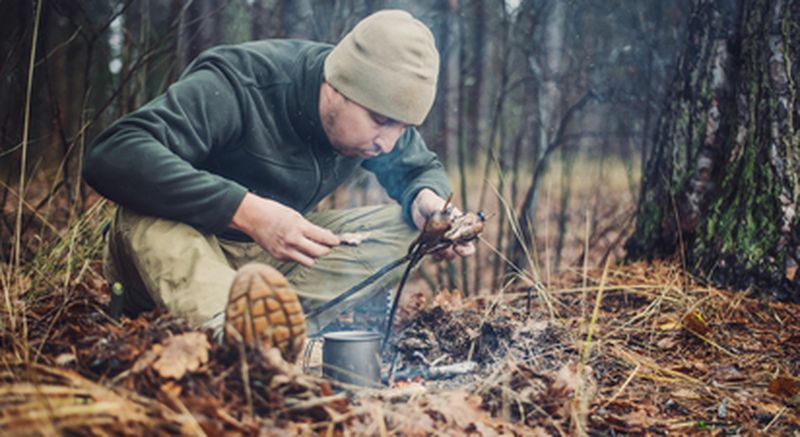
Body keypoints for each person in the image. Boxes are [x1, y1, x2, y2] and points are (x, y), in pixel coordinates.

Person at [83, 9, 474, 361]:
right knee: (145, 219)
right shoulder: (242, 82)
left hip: (268, 267)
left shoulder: (377, 117)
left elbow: (417, 168)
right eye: (380, 121)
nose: (386, 143)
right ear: (337, 86)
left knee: (409, 227)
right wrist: (248, 211)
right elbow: (113, 153)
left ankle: (269, 332)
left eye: (403, 127)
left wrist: (429, 203)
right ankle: (249, 344)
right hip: (180, 254)